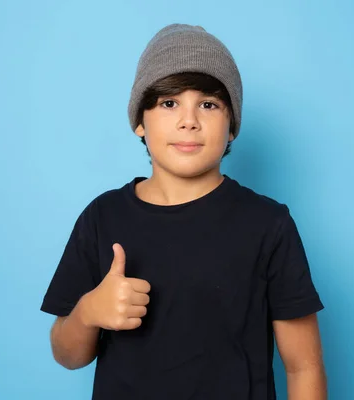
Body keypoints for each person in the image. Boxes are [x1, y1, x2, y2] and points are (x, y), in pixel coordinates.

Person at [40, 23, 327, 400]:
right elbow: (68, 355)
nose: (188, 120)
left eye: (208, 104)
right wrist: (88, 312)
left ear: (232, 126)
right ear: (140, 122)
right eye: (168, 102)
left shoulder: (267, 224)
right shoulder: (102, 217)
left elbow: (303, 366)